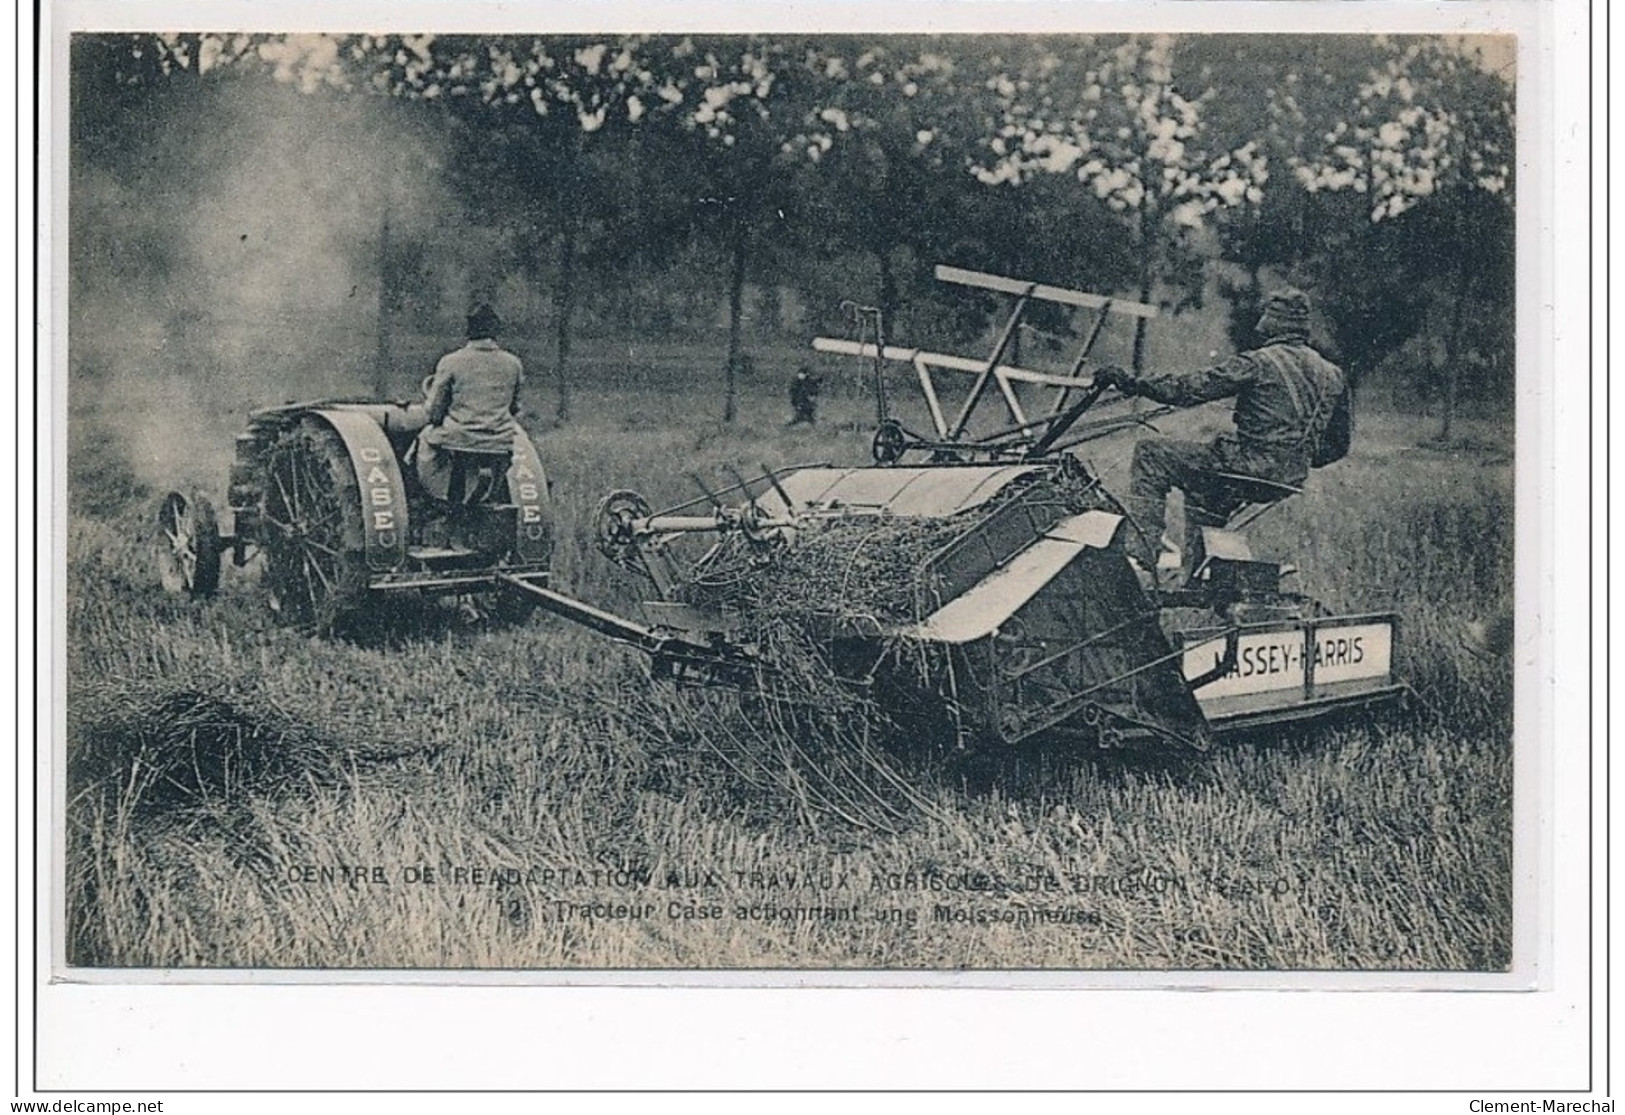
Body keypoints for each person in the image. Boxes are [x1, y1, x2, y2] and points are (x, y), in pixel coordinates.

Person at [1095, 287, 1350, 575]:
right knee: (1203, 493)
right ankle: (1197, 576)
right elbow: (1338, 444)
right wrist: (1292, 455)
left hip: (1247, 467)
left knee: (1150, 453)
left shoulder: (1259, 362)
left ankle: (1139, 557)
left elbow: (1190, 388)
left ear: (1271, 322)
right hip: (1288, 478)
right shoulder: (1333, 374)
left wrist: (1133, 384)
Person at [414, 302, 525, 503]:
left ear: (469, 331)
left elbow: (433, 412)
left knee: (423, 441)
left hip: (460, 438)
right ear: (495, 331)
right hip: (499, 442)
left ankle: (434, 495)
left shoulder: (451, 362)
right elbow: (515, 407)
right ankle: (485, 497)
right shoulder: (513, 364)